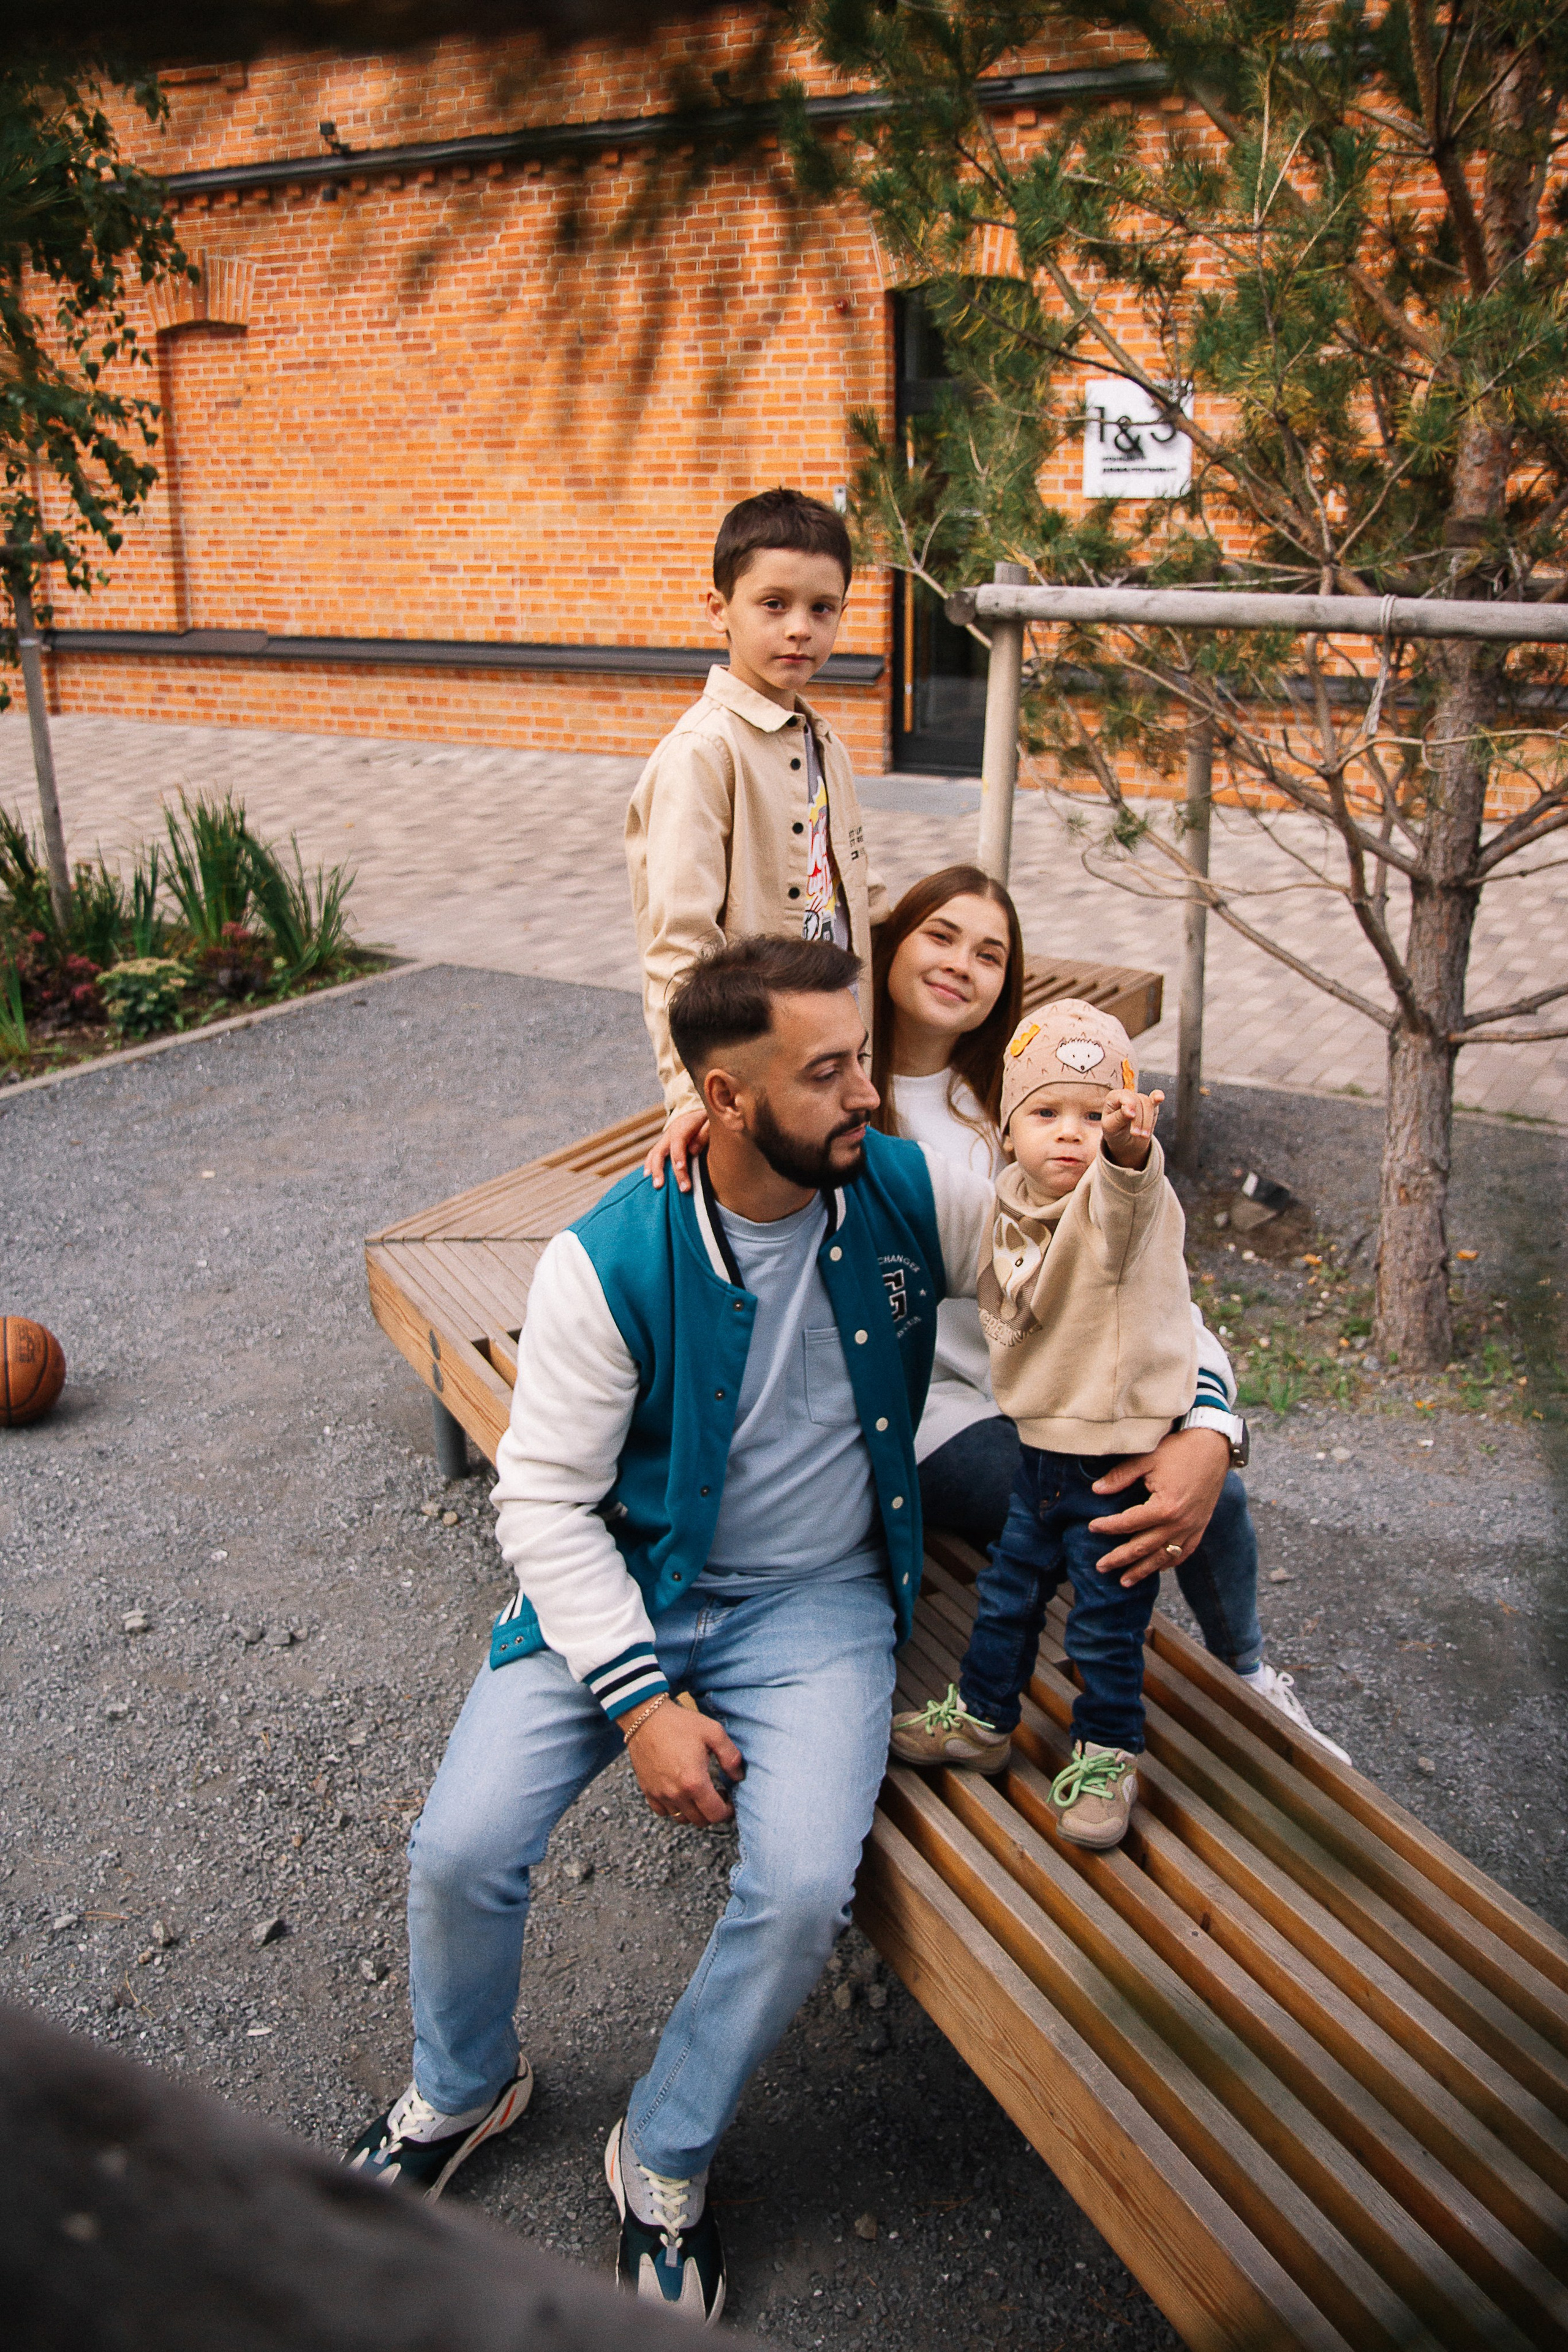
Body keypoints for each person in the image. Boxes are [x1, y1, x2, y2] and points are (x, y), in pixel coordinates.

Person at [347, 936, 1014, 2321]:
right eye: (823, 1072)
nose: (862, 1095)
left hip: (818, 1604)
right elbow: (537, 1503)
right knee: (460, 1845)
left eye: (860, 1061)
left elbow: (1099, 1263)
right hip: (627, 1580)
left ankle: (661, 2146)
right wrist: (642, 1698)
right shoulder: (613, 1256)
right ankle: (465, 2081)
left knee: (792, 1890)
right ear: (720, 1096)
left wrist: (1203, 1416)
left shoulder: (897, 1184)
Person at [870, 867, 1349, 1762]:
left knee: (1205, 1483)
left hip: (1068, 1384)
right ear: (891, 939)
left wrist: (1209, 1421)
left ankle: (1250, 1679)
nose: (960, 965)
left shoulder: (1037, 1105)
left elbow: (1146, 1282)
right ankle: (1075, 1728)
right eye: (939, 935)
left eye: (990, 953)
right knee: (1113, 1505)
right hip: (943, 1418)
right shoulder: (852, 1104)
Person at [893, 1002, 1250, 1847]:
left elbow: (1123, 1204)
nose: (1071, 1136)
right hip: (1040, 1451)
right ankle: (983, 1717)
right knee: (1009, 1593)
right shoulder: (1010, 1202)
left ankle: (1108, 1751)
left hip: (1114, 1457)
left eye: (1093, 1117)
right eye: (1046, 1115)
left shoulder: (1126, 1203)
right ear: (1007, 1130)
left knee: (1106, 1618)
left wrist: (1129, 1152)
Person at [625, 484, 888, 1123]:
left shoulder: (826, 744)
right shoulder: (703, 754)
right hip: (756, 1084)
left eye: (822, 608)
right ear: (719, 609)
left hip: (835, 1064)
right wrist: (691, 1102)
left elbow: (862, 903)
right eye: (774, 604)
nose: (800, 627)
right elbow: (679, 949)